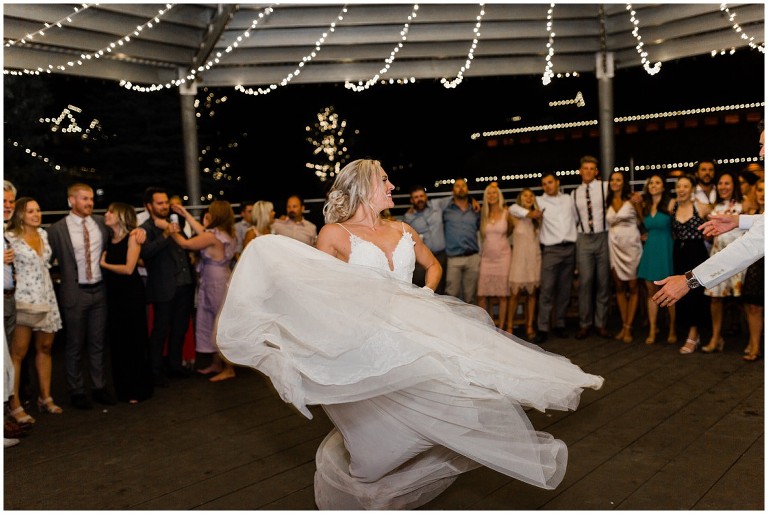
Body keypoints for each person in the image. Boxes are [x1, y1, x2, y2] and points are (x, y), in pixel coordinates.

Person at [215, 158, 603, 510]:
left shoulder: (403, 228)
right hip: (366, 338)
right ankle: (371, 480)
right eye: (384, 180)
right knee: (380, 429)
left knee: (460, 388)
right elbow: (319, 289)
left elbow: (432, 266)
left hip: (415, 323)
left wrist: (424, 296)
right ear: (365, 188)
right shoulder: (333, 234)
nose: (390, 185)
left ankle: (401, 456)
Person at [47, 183, 116, 409]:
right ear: (71, 200)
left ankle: (99, 387)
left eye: (91, 199)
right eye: (84, 199)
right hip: (74, 293)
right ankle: (76, 390)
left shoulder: (100, 224)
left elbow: (119, 237)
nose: (89, 203)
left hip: (100, 291)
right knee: (74, 344)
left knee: (97, 343)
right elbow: (45, 260)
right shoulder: (57, 229)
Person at [6, 198, 63, 423]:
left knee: (46, 348)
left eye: (38, 210)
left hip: (47, 297)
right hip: (24, 300)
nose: (36, 214)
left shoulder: (44, 234)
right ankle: (15, 403)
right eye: (30, 211)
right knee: (18, 354)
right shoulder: (10, 237)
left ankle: (45, 397)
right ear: (20, 214)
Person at [169, 200, 236, 382]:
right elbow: (201, 230)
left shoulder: (212, 237)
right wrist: (185, 213)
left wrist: (171, 229)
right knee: (214, 321)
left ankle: (228, 368)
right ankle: (216, 363)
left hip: (215, 283)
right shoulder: (226, 233)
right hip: (219, 280)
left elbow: (185, 243)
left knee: (218, 324)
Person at [140, 186, 195, 387]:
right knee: (160, 330)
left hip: (185, 284)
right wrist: (165, 234)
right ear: (149, 206)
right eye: (160, 203)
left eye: (166, 202)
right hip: (164, 287)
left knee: (180, 328)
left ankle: (174, 365)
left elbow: (187, 244)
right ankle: (155, 371)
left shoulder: (174, 221)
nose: (165, 206)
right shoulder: (147, 227)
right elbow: (145, 253)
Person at [512, 172, 576, 344]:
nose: (547, 186)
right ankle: (542, 328)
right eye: (544, 184)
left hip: (570, 248)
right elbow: (513, 208)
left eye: (550, 182)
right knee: (546, 290)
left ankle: (560, 325)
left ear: (557, 182)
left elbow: (576, 218)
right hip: (550, 250)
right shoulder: (539, 201)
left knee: (564, 290)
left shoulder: (569, 199)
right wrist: (529, 213)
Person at [99, 203, 154, 404]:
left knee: (134, 341)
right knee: (118, 342)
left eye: (111, 212)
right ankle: (123, 388)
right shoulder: (109, 238)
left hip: (131, 295)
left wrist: (104, 265)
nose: (107, 214)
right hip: (114, 295)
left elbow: (129, 268)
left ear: (121, 216)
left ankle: (138, 389)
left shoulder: (132, 237)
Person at [661, 175, 713, 355]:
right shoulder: (671, 206)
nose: (682, 189)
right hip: (679, 253)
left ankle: (693, 335)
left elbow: (714, 225)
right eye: (679, 186)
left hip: (697, 253)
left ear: (692, 189)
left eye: (686, 186)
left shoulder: (701, 206)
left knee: (696, 294)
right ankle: (689, 331)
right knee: (681, 293)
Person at [701, 171, 745, 353]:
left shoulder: (745, 204)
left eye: (727, 183)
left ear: (734, 185)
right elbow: (709, 236)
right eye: (720, 184)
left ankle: (752, 341)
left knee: (744, 301)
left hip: (741, 259)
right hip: (718, 257)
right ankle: (716, 337)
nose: (723, 187)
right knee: (715, 299)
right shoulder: (713, 208)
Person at [634, 174, 677, 345]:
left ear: (663, 186)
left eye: (657, 182)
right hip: (651, 248)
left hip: (666, 247)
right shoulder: (645, 205)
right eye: (651, 182)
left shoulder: (672, 203)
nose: (653, 185)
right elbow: (642, 223)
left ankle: (673, 328)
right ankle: (653, 328)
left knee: (670, 291)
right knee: (650, 292)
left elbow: (678, 224)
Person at [571, 156, 611, 339]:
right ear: (580, 171)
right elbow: (573, 218)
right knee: (585, 282)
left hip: (603, 236)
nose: (588, 171)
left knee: (603, 281)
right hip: (584, 238)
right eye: (584, 168)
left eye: (591, 169)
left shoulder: (606, 187)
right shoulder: (574, 193)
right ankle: (585, 324)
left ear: (596, 172)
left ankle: (601, 323)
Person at [605, 171, 643, 343]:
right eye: (612, 179)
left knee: (633, 287)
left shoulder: (632, 199)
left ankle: (628, 327)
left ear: (623, 182)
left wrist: (640, 203)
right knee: (619, 287)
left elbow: (642, 220)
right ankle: (624, 324)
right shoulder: (607, 202)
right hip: (614, 246)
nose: (615, 182)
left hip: (632, 246)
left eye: (618, 179)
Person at [505, 188, 541, 339]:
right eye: (525, 195)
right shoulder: (513, 217)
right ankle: (509, 325)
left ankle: (529, 325)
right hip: (519, 258)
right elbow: (506, 234)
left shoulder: (538, 218)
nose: (528, 197)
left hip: (534, 258)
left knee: (532, 294)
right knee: (514, 294)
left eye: (531, 195)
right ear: (520, 198)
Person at [403, 185, 452, 294]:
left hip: (441, 256)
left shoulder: (437, 205)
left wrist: (472, 201)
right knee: (425, 290)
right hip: (422, 261)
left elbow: (454, 198)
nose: (419, 199)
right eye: (416, 197)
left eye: (421, 196)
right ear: (412, 200)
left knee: (441, 290)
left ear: (426, 197)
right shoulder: (408, 217)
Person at [476, 183, 513, 329]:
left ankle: (502, 327)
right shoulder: (483, 214)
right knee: (482, 294)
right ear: (486, 197)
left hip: (503, 257)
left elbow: (511, 230)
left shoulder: (507, 212)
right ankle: (487, 327)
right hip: (486, 258)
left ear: (499, 195)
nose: (491, 196)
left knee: (503, 295)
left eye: (494, 193)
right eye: (489, 193)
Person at [443, 178, 481, 304]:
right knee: (451, 297)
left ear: (467, 189)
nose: (460, 188)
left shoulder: (475, 210)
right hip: (454, 259)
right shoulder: (446, 210)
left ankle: (470, 324)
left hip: (472, 258)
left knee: (470, 298)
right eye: (457, 186)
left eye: (463, 186)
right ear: (453, 191)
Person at [740, 178, 764, 361]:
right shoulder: (751, 213)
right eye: (760, 190)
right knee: (752, 306)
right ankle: (754, 344)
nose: (763, 193)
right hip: (755, 264)